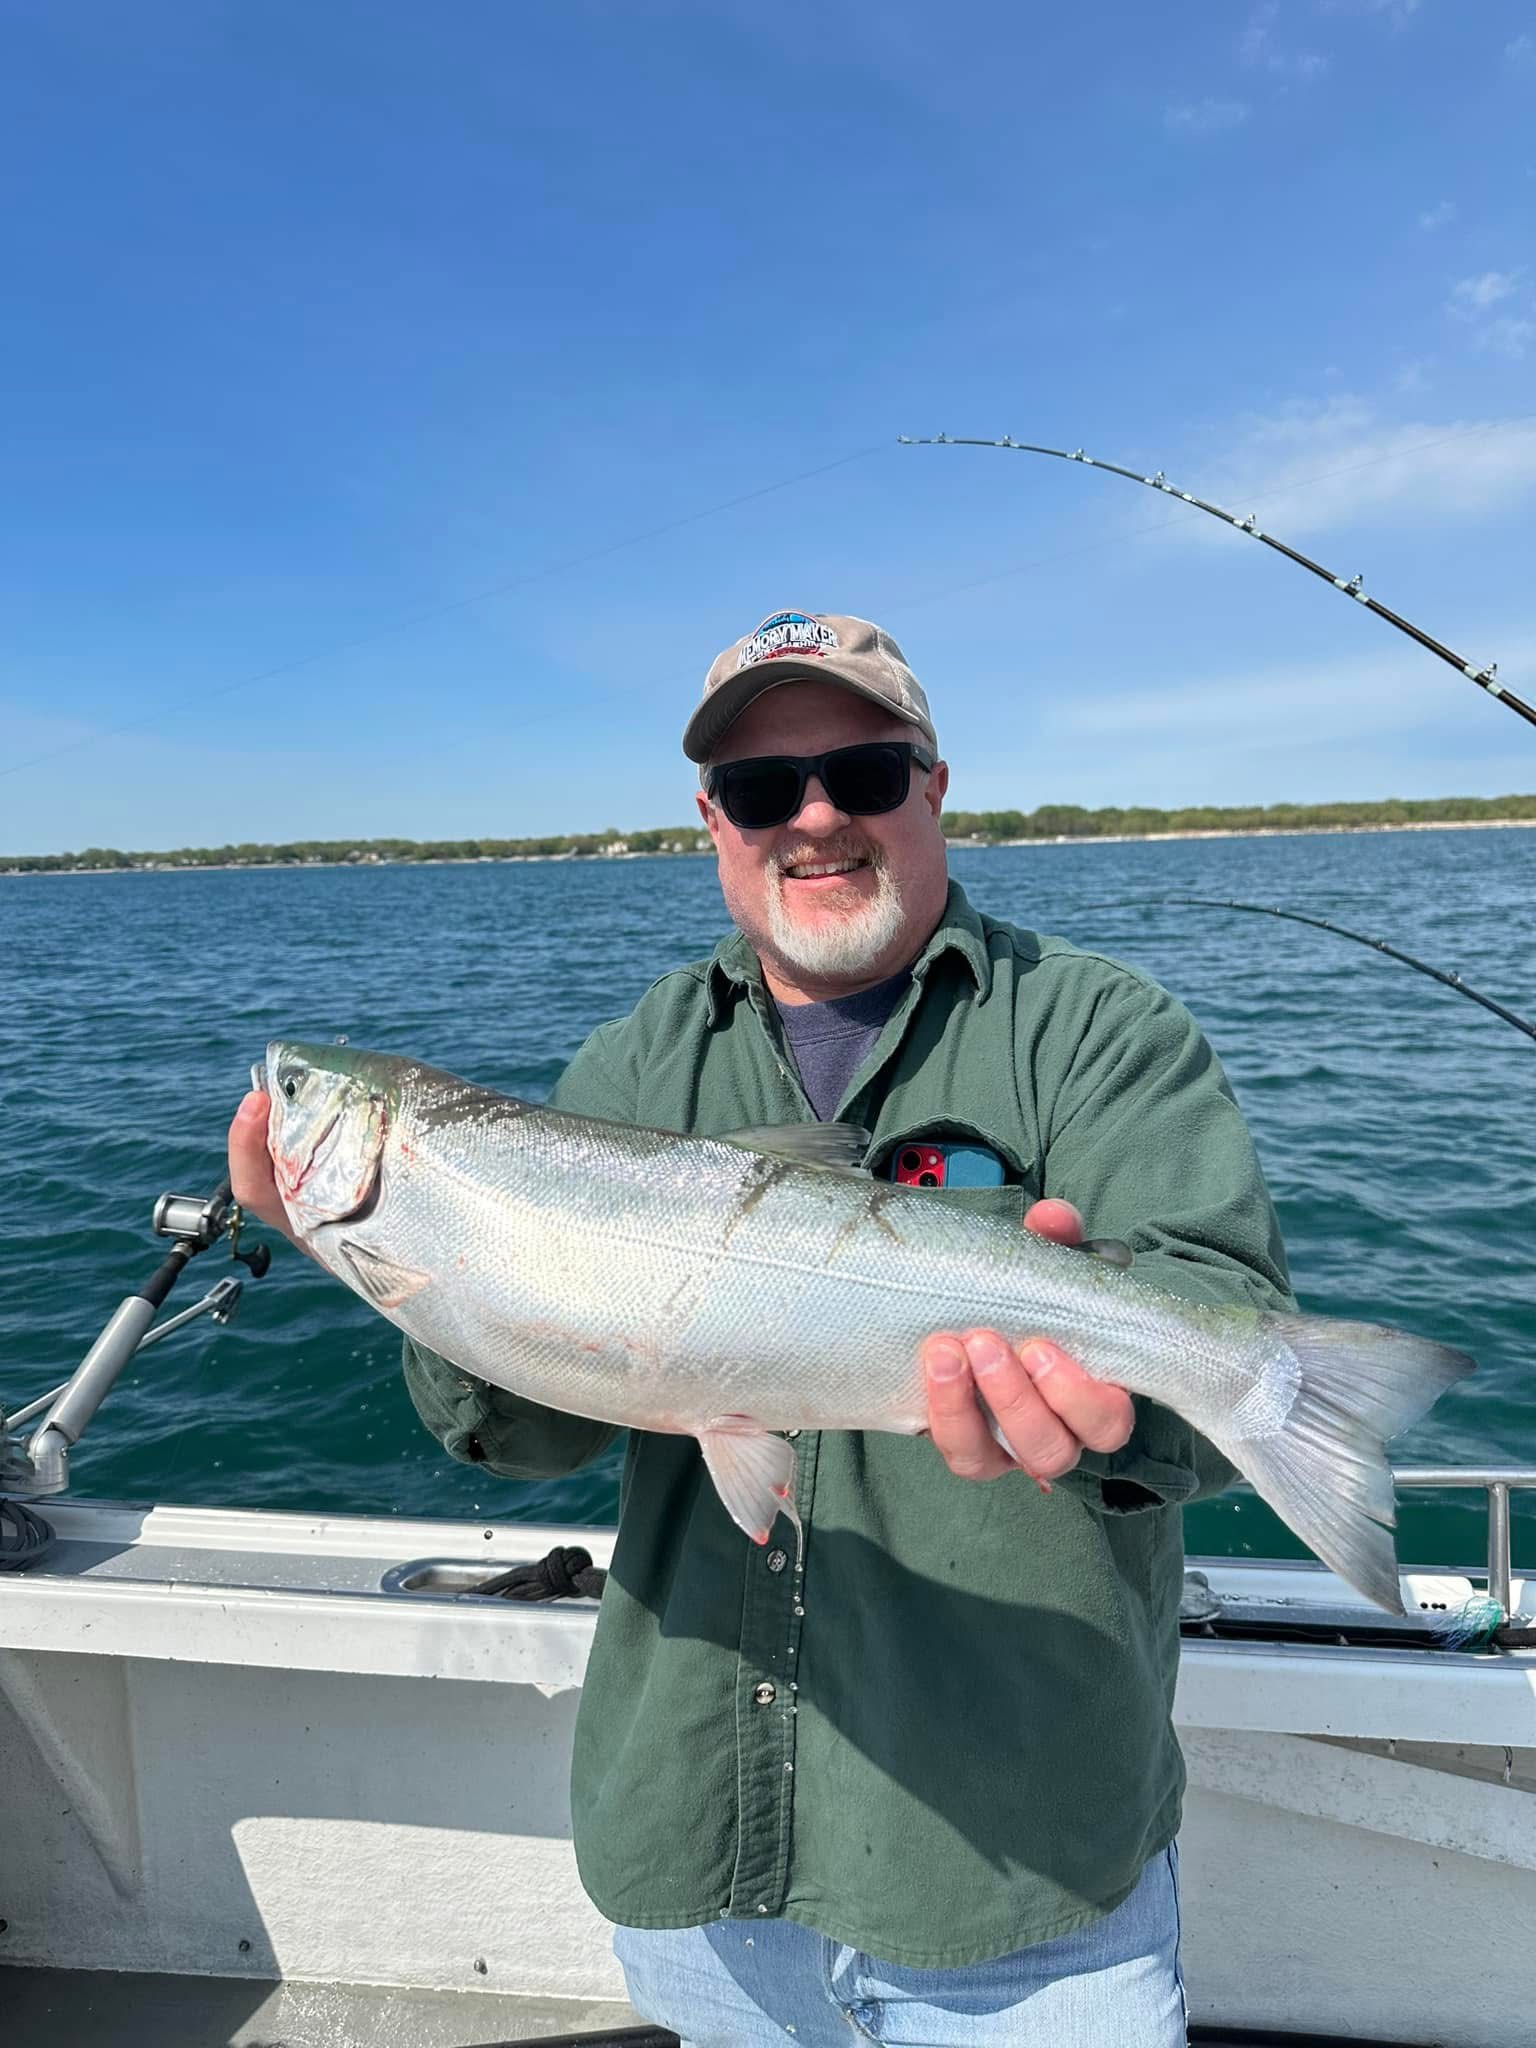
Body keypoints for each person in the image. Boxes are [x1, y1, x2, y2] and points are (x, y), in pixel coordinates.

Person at [229, 609, 1292, 2046]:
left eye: (862, 773)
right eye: (760, 787)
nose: (814, 818)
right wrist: (377, 1257)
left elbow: (1229, 1334)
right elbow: (523, 1432)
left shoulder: (1099, 1029)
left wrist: (1129, 1409)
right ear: (712, 821)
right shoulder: (637, 1060)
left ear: (933, 788)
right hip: (704, 1863)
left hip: (1024, 1870)